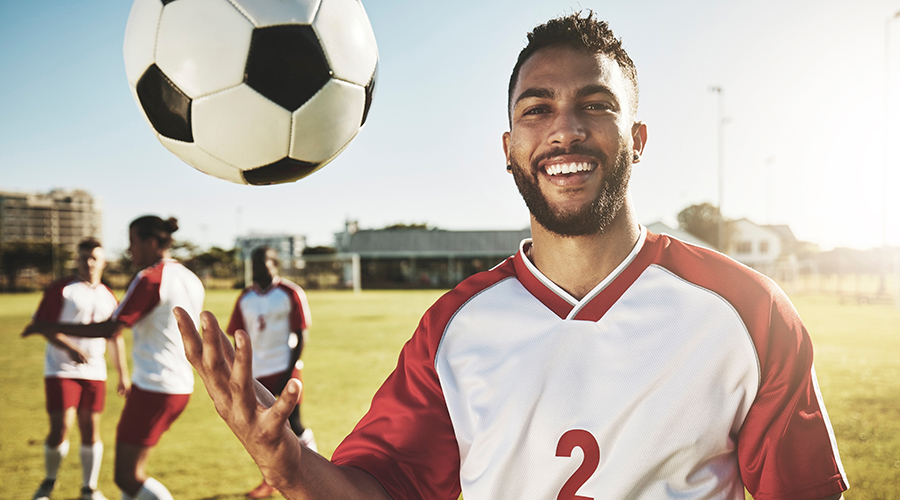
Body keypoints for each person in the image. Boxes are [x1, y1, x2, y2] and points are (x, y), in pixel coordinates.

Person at [174, 12, 849, 500]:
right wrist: (287, 462)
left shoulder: (747, 313)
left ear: (638, 138)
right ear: (507, 148)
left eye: (596, 104)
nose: (566, 128)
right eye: (537, 109)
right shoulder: (453, 331)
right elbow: (380, 490)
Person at [25, 216, 205, 500]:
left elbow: (112, 328)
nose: (129, 250)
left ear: (151, 242)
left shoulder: (150, 278)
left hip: (154, 385)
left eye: (132, 242)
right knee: (132, 476)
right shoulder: (190, 278)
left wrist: (50, 327)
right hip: (181, 386)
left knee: (127, 477)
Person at [26, 238, 129, 500]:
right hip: (61, 369)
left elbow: (115, 336)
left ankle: (89, 489)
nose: (90, 262)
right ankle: (48, 484)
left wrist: (123, 375)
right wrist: (70, 347)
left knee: (91, 429)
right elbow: (41, 324)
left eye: (95, 257)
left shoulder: (108, 294)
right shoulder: (62, 289)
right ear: (77, 260)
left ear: (104, 261)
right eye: (84, 257)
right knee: (61, 428)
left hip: (95, 373)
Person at [227, 246, 316, 499]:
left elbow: (301, 334)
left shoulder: (289, 292)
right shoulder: (245, 297)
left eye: (262, 264)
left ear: (274, 265)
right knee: (263, 432)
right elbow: (237, 335)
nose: (257, 270)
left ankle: (318, 469)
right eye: (253, 265)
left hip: (286, 368)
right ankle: (270, 481)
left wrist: (289, 369)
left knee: (295, 424)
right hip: (256, 374)